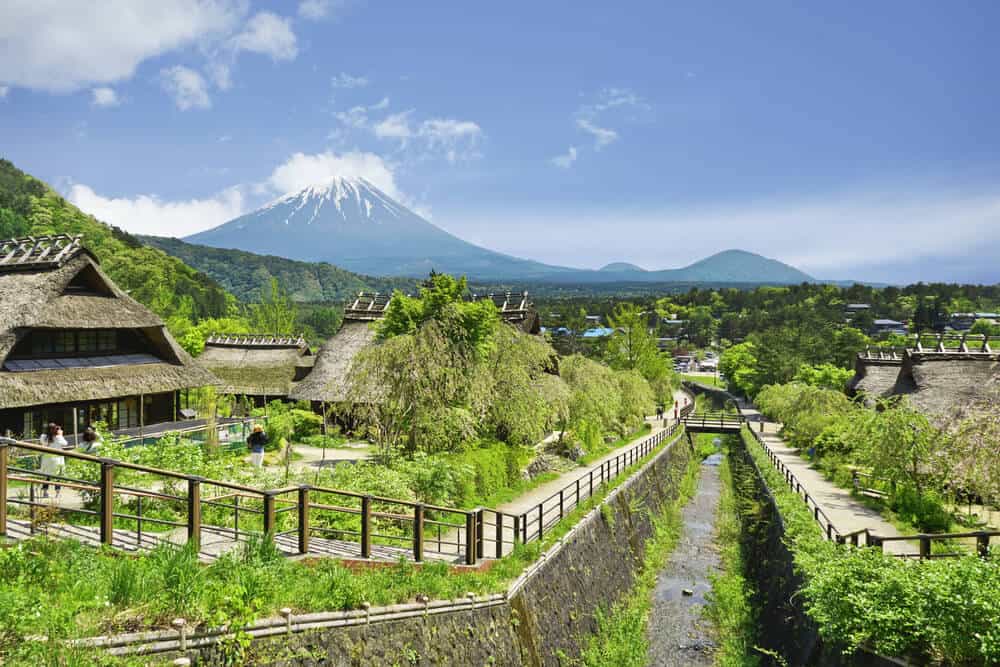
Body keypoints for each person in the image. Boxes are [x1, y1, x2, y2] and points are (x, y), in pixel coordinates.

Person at [39, 422, 68, 497]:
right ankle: (57, 493)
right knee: (57, 476)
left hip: (46, 458)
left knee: (46, 476)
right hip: (57, 459)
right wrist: (60, 434)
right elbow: (65, 443)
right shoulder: (58, 437)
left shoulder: (43, 437)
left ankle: (45, 492)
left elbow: (42, 442)